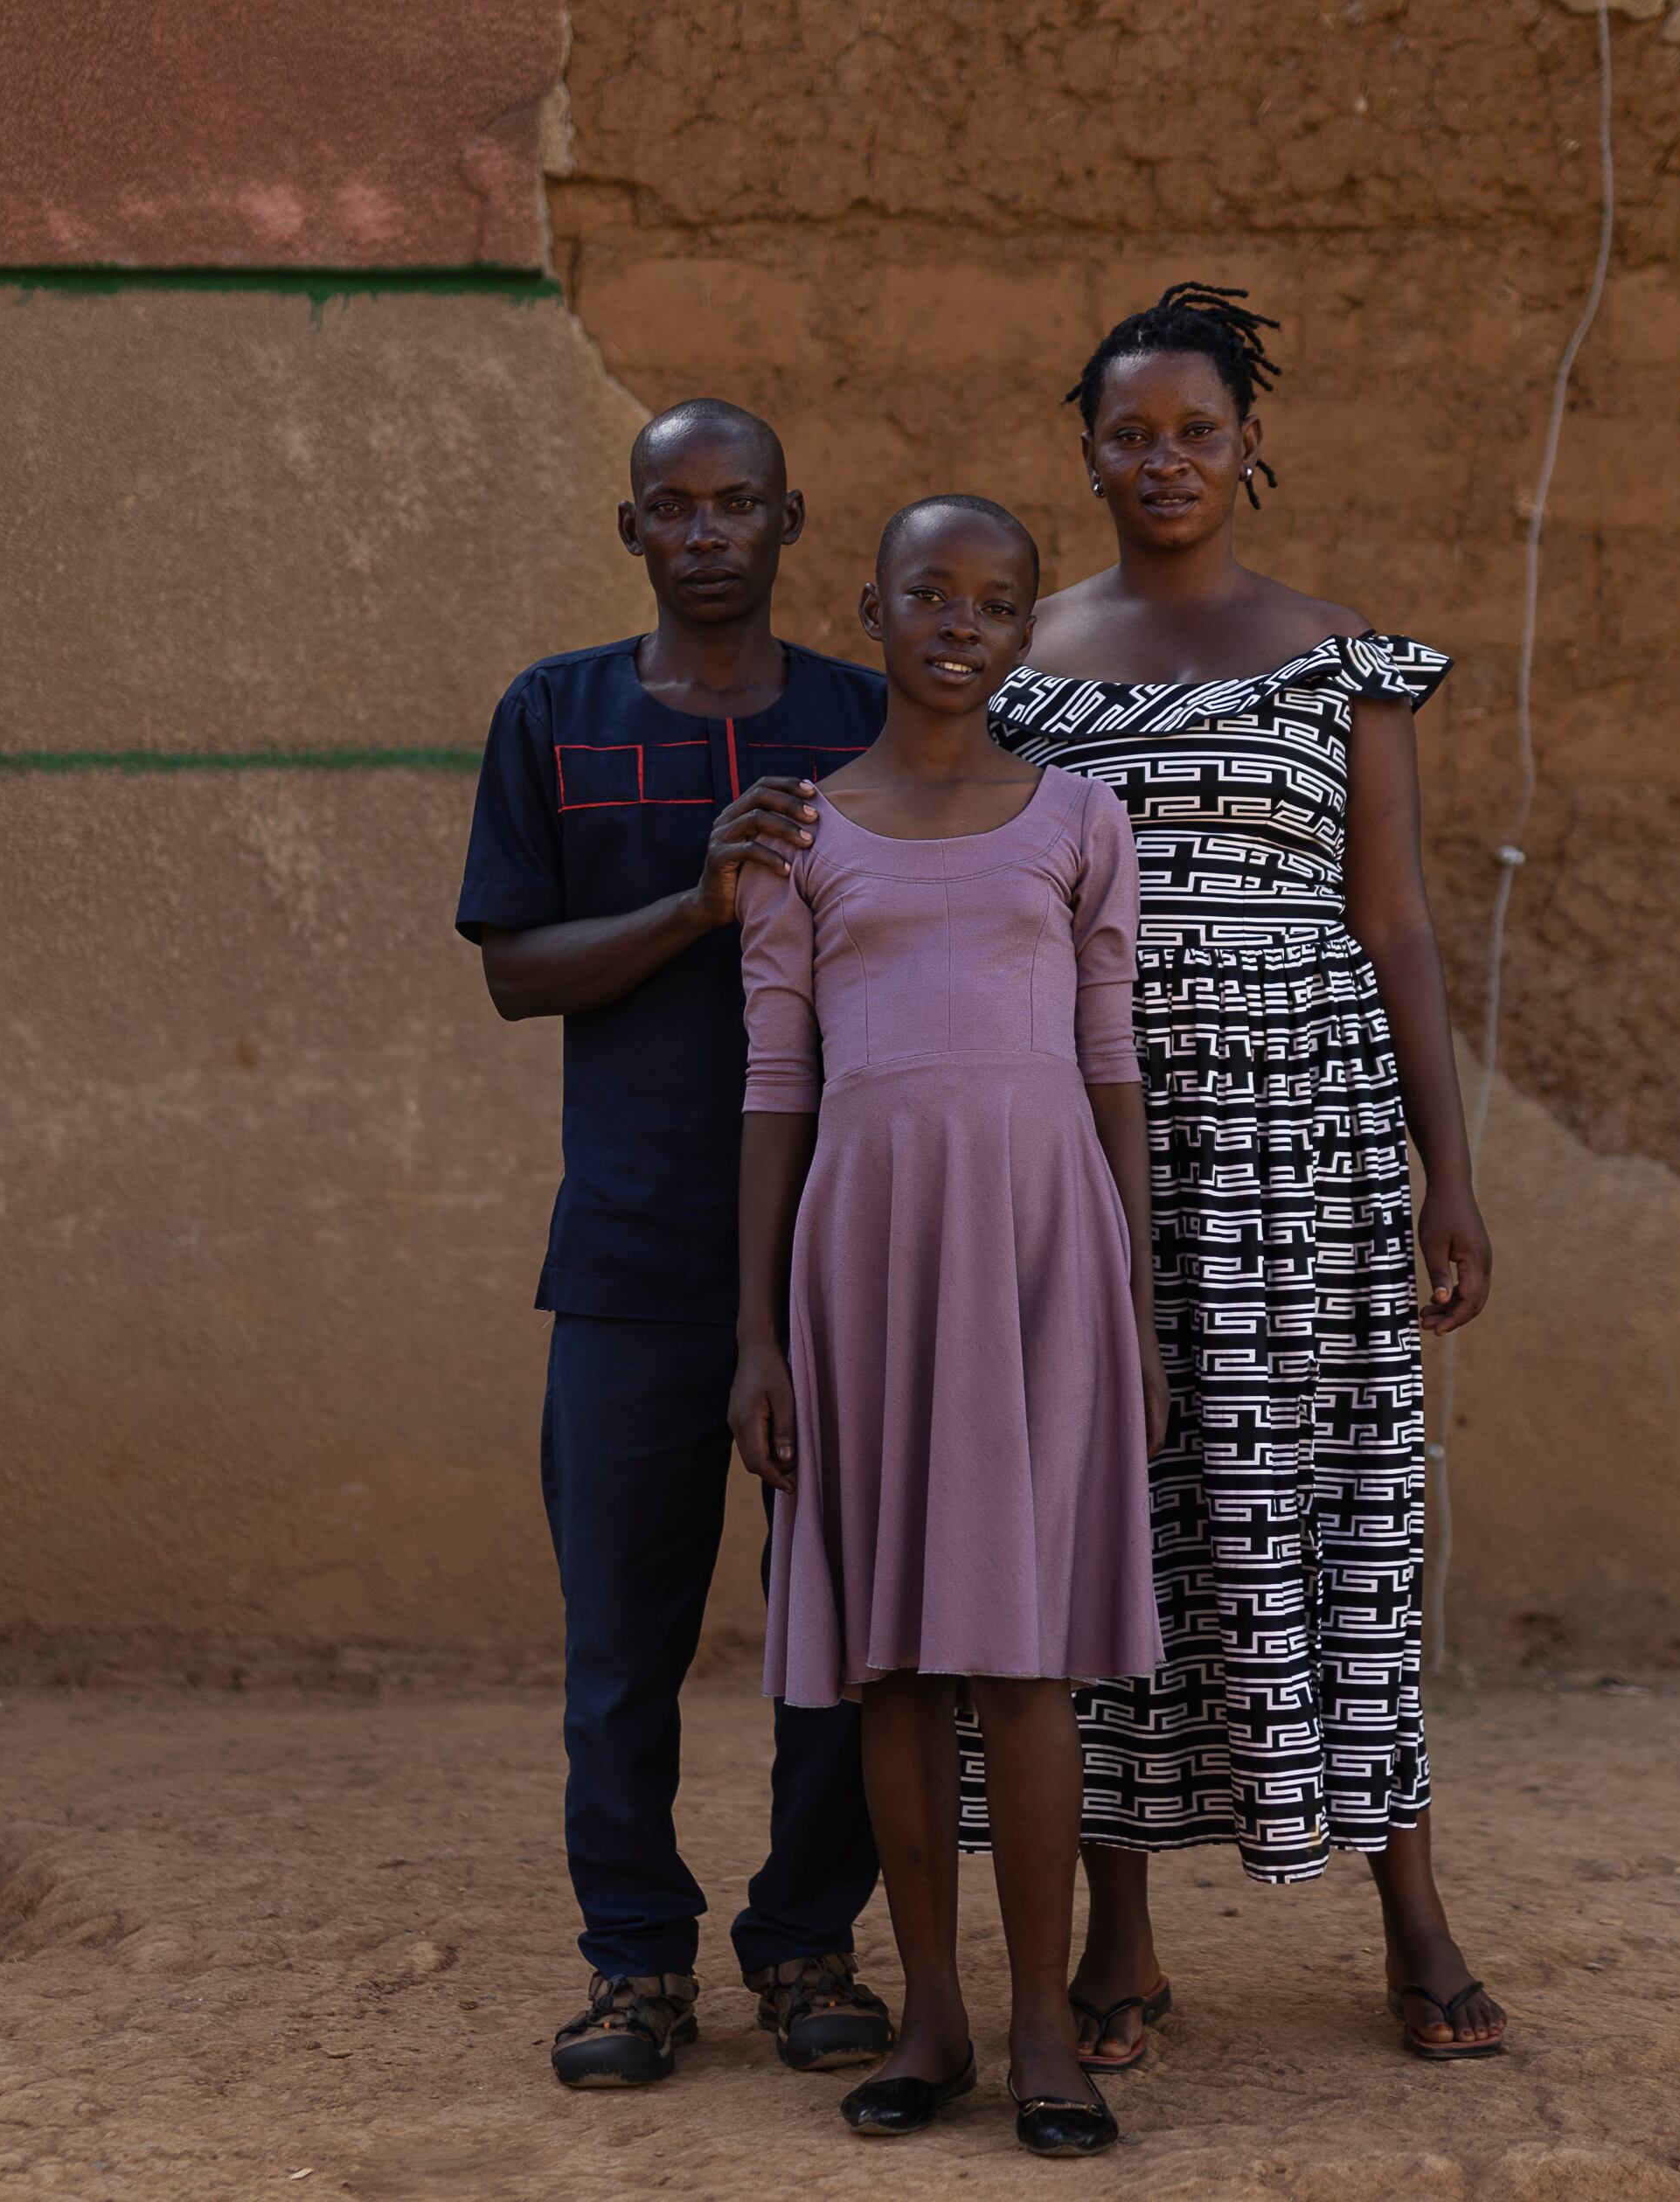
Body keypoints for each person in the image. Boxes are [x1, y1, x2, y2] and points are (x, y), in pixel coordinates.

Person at [985, 283, 1512, 2064]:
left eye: (1195, 431)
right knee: (1113, 1523)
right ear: (1088, 453)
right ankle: (1120, 1946)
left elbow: (1398, 923)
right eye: (1129, 434)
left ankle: (1415, 1919)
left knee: (1344, 1518)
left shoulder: (1337, 655)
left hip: (1314, 1155)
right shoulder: (1027, 666)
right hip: (1099, 1147)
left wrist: (1450, 1170)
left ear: (1248, 446)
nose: (1163, 461)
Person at [457, 398, 894, 2089]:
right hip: (634, 1254)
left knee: (841, 1629)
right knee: (622, 1643)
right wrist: (689, 907)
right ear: (629, 528)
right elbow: (513, 972)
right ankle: (633, 1965)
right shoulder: (554, 716)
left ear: (793, 522)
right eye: (674, 506)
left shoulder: (870, 722)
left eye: (738, 503)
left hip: (843, 1255)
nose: (707, 531)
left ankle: (805, 1945)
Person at [730, 496, 1165, 2158]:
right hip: (868, 1260)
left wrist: (1131, 1303)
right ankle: (932, 2019)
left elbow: (1110, 1063)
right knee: (895, 1659)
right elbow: (777, 1082)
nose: (961, 622)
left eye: (996, 601)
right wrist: (759, 1337)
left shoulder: (1076, 818)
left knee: (1026, 1652)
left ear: (1025, 627)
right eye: (930, 593)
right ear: (876, 608)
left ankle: (1049, 2025)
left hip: (1041, 1244)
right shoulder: (801, 833)